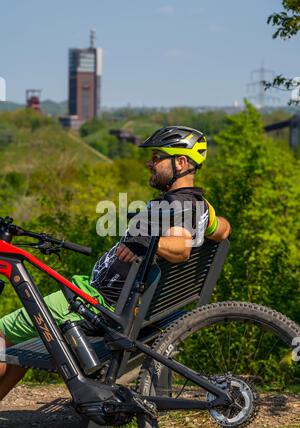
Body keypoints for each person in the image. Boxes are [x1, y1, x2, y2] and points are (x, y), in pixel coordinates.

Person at [0, 125, 231, 400]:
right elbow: (224, 230)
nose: (150, 163)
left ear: (181, 162)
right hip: (114, 306)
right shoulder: (197, 205)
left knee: (3, 333)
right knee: (22, 340)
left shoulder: (178, 205)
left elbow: (180, 249)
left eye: (157, 158)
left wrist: (146, 241)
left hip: (94, 306)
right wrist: (209, 221)